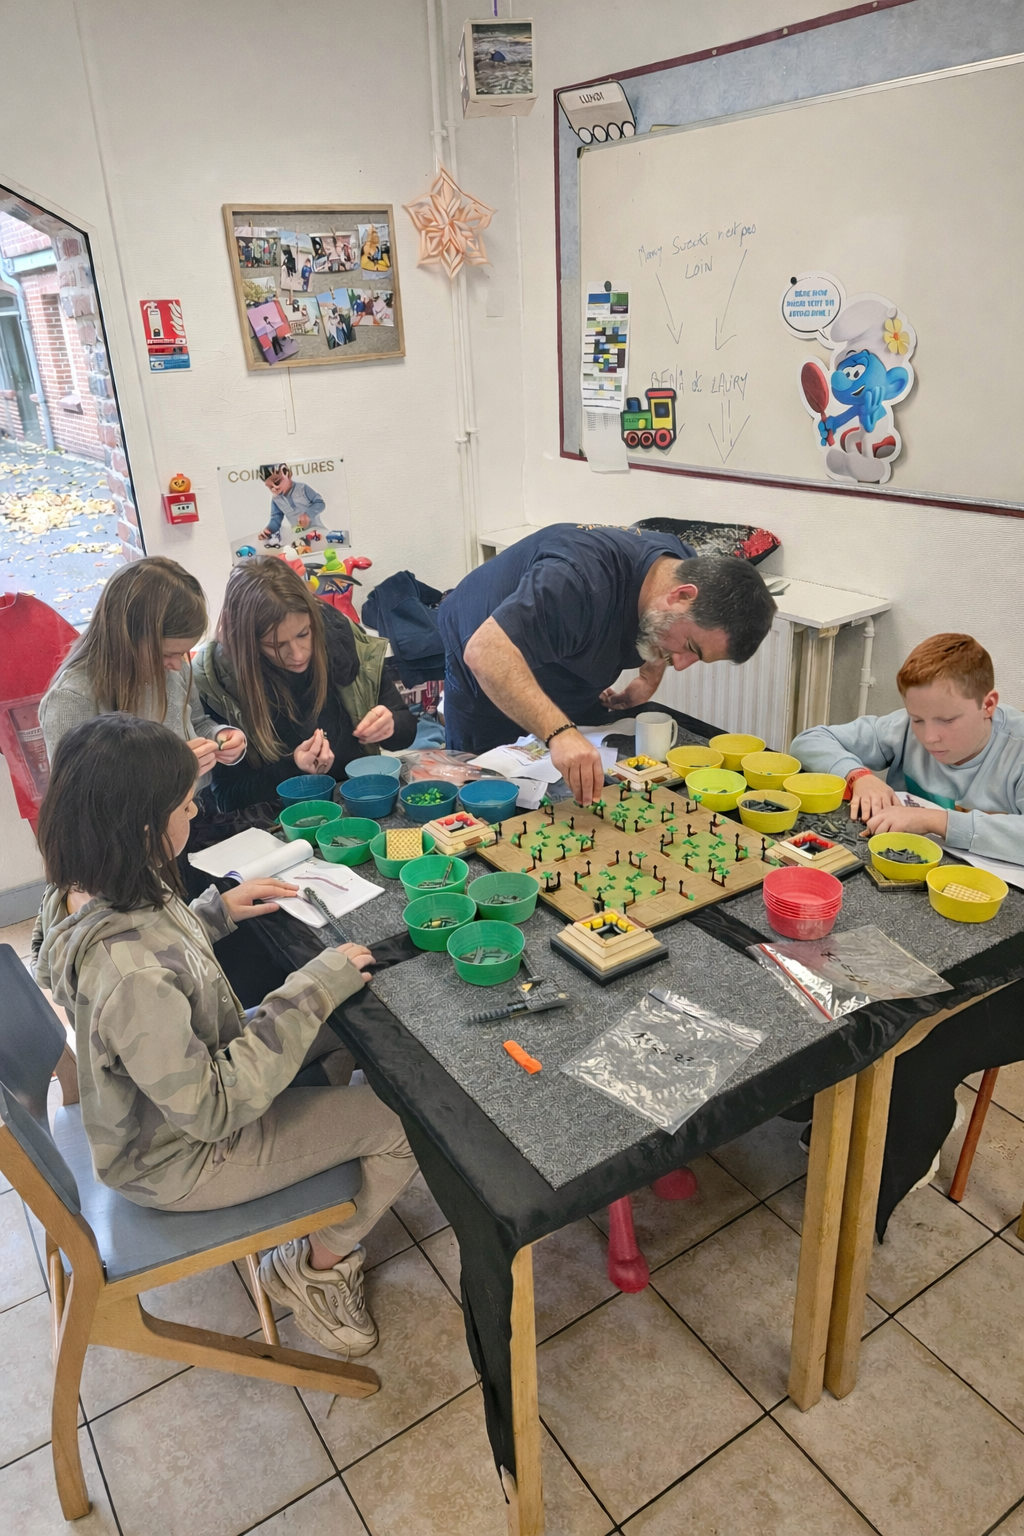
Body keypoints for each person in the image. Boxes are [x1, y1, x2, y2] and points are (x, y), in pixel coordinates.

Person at [33, 713, 416, 1355]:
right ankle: (315, 1268)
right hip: (182, 1158)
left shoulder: (89, 887)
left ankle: (319, 1153)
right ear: (147, 828)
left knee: (348, 1028)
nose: (194, 812)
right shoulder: (131, 974)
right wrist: (309, 989)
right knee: (404, 1125)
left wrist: (212, 913)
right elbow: (211, 1111)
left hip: (173, 1104)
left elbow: (154, 952)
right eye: (187, 806)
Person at [438, 523, 777, 804]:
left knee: (564, 771)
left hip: (561, 650)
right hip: (484, 649)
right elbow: (486, 653)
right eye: (690, 647)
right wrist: (558, 733)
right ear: (681, 595)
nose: (682, 664)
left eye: (697, 658)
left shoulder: (679, 568)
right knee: (486, 788)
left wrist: (649, 673)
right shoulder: (576, 581)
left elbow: (663, 618)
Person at [193, 555, 416, 811]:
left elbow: (405, 733)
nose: (298, 655)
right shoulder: (218, 677)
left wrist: (391, 725)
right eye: (276, 645)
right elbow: (227, 798)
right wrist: (293, 768)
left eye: (303, 634)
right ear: (248, 644)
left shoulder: (339, 634)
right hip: (282, 820)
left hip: (362, 801)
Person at [790, 632, 1024, 862]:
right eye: (918, 720)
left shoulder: (1017, 749)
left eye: (947, 720)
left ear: (988, 705)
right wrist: (857, 775)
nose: (929, 737)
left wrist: (933, 820)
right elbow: (809, 740)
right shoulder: (902, 726)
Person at [39, 555, 246, 789]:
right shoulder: (71, 700)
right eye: (166, 654)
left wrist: (219, 736)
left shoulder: (173, 670)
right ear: (126, 638)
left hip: (193, 804)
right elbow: (78, 793)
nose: (177, 666)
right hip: (145, 812)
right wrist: (170, 773)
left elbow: (196, 723)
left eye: (182, 654)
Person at [258, 463, 326, 547]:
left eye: (276, 482)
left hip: (316, 531)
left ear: (285, 472)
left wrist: (308, 514)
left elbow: (320, 503)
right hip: (298, 535)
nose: (274, 489)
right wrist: (269, 530)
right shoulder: (276, 499)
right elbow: (276, 518)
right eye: (269, 487)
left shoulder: (302, 488)